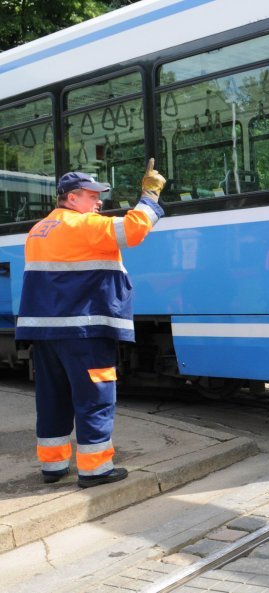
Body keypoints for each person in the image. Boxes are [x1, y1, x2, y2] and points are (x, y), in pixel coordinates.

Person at [16, 161, 166, 488]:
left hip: (45, 334)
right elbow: (134, 230)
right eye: (91, 196)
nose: (98, 202)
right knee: (94, 397)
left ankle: (53, 466)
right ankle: (95, 469)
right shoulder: (82, 226)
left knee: (52, 398)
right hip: (83, 333)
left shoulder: (39, 229)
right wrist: (150, 195)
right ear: (71, 198)